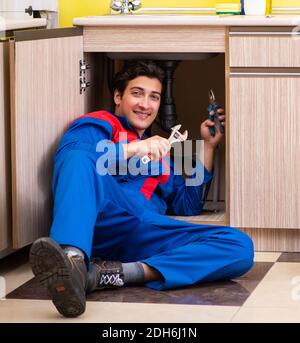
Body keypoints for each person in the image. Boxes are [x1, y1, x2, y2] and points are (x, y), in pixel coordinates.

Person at [30, 60, 254, 318]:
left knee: (239, 246)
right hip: (97, 217)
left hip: (140, 230)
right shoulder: (100, 123)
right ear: (117, 96)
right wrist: (132, 148)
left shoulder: (163, 158)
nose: (145, 104)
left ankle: (105, 275)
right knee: (79, 158)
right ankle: (72, 257)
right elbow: (73, 156)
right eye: (137, 93)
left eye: (154, 97)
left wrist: (208, 146)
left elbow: (189, 205)